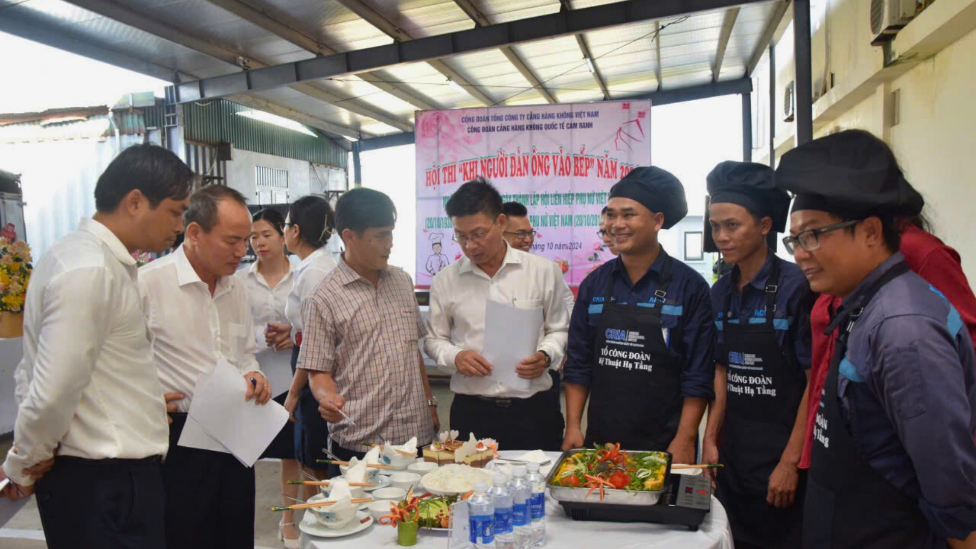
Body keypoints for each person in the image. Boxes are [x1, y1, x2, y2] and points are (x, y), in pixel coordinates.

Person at [775, 130, 976, 548]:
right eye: (794, 239)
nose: (800, 253)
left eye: (812, 235)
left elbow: (947, 480)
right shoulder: (858, 305)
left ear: (869, 231)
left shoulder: (903, 327)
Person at [0, 144, 192, 549]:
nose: (179, 226)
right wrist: (23, 463)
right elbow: (52, 390)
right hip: (104, 486)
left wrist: (137, 400)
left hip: (108, 481)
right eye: (175, 211)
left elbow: (35, 369)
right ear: (136, 201)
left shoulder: (88, 260)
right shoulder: (89, 270)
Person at [139, 185, 272, 549]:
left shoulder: (238, 288)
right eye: (232, 241)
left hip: (235, 433)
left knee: (235, 531)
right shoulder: (149, 284)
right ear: (194, 233)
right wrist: (143, 399)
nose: (242, 252)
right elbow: (121, 361)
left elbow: (244, 352)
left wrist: (254, 375)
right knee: (184, 534)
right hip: (178, 438)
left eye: (246, 240)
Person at [562, 167, 714, 464]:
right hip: (601, 441)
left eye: (628, 214)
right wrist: (572, 425)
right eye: (610, 214)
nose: (616, 224)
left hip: (666, 440)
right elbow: (579, 362)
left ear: (658, 220)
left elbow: (698, 373)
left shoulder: (689, 287)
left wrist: (685, 438)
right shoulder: (594, 285)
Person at [701, 161, 812, 549]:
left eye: (733, 225)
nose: (721, 236)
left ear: (765, 226)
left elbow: (814, 383)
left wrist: (790, 463)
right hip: (735, 450)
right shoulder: (720, 291)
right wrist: (710, 438)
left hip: (783, 450)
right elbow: (722, 369)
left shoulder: (797, 287)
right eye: (715, 227)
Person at [300, 188, 438, 475]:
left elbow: (412, 352)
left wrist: (430, 404)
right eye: (381, 236)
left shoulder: (401, 281)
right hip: (361, 443)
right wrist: (327, 398)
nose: (389, 244)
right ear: (349, 236)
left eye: (391, 234)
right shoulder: (322, 298)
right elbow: (318, 371)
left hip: (416, 436)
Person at [425, 178, 570, 451]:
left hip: (534, 411)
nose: (470, 245)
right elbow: (434, 340)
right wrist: (456, 356)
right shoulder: (446, 280)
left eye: (478, 234)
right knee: (469, 487)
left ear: (501, 223)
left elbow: (559, 329)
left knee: (538, 487)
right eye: (461, 236)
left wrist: (546, 355)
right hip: (472, 412)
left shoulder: (542, 271)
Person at [235, 208, 301, 548]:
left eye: (266, 234)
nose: (258, 242)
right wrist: (264, 340)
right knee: (248, 453)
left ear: (284, 234)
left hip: (292, 379)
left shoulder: (301, 275)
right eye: (253, 236)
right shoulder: (241, 280)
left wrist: (295, 336)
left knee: (292, 453)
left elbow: (311, 323)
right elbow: (236, 328)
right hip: (255, 379)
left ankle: (288, 519)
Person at [265, 196, 338, 480]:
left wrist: (293, 392)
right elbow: (310, 326)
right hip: (308, 359)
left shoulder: (315, 271)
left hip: (313, 368)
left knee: (314, 452)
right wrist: (291, 330)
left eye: (282, 226)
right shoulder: (312, 265)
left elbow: (315, 341)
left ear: (294, 230)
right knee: (310, 450)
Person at [501, 200, 574, 441]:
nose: (528, 240)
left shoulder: (545, 270)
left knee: (545, 442)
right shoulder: (479, 276)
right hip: (495, 384)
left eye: (530, 233)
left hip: (541, 373)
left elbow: (567, 310)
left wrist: (558, 351)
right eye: (520, 234)